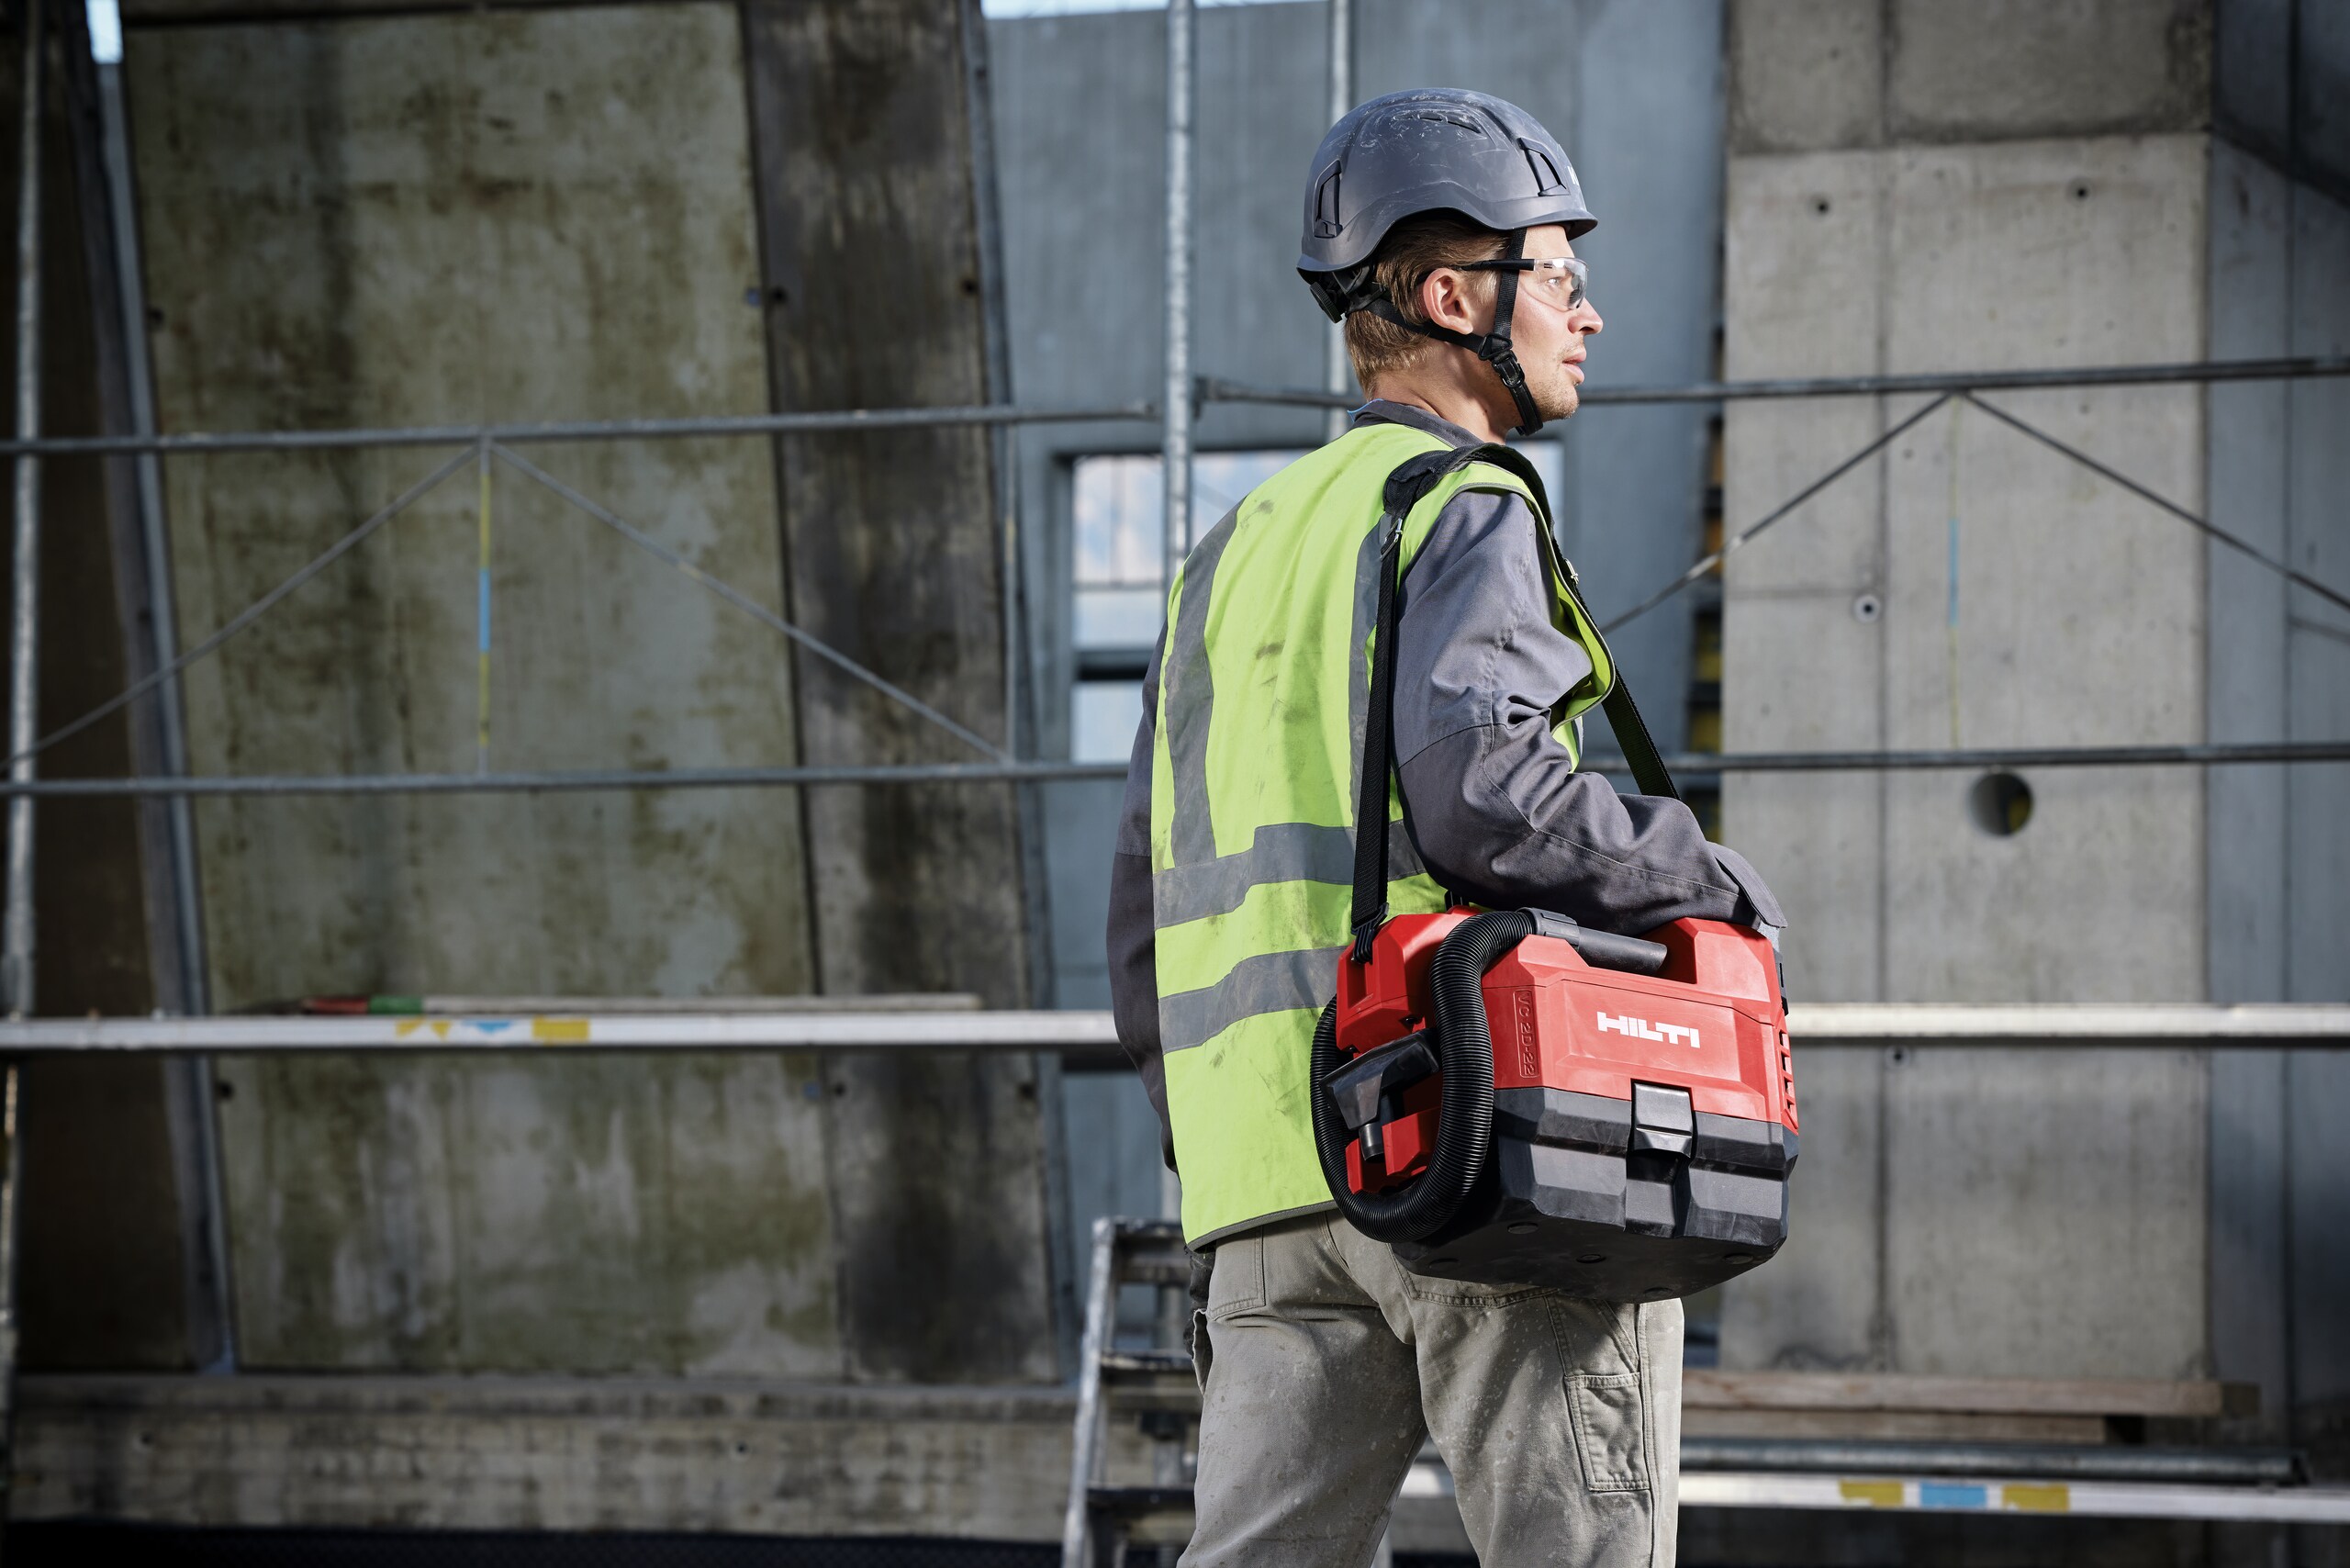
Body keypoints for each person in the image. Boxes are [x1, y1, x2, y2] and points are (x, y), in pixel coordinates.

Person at [1106, 88, 1784, 1568]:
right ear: (1451, 294)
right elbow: (1486, 791)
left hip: (1265, 1188)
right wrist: (1711, 880)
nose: (1589, 315)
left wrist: (1234, 1148)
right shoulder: (1461, 500)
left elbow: (1140, 919)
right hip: (1477, 1151)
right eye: (1562, 276)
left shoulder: (1229, 553)